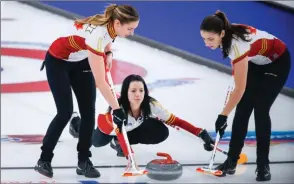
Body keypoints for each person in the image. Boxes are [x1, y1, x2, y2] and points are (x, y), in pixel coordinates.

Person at [34, 4, 139, 178]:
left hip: (80, 61)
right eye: (130, 29)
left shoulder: (111, 26)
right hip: (58, 62)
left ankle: (83, 162)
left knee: (88, 113)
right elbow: (101, 82)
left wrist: (109, 54)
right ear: (118, 23)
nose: (132, 33)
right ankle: (44, 160)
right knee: (64, 112)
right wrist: (117, 109)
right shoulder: (98, 35)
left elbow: (107, 41)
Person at [200, 10, 291, 181]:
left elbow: (239, 89)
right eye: (204, 38)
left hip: (278, 62)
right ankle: (231, 162)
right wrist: (226, 114)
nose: (207, 43)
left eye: (210, 39)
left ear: (222, 34)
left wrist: (223, 115)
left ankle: (263, 165)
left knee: (261, 109)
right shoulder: (226, 36)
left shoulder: (237, 45)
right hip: (257, 62)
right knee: (243, 108)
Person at [69, 74, 215, 157]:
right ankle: (76, 123)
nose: (138, 94)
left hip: (131, 128)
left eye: (141, 90)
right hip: (109, 126)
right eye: (133, 91)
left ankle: (118, 144)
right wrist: (130, 156)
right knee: (96, 142)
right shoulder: (118, 109)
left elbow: (176, 121)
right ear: (126, 92)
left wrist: (200, 133)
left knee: (161, 132)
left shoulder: (151, 105)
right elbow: (119, 132)